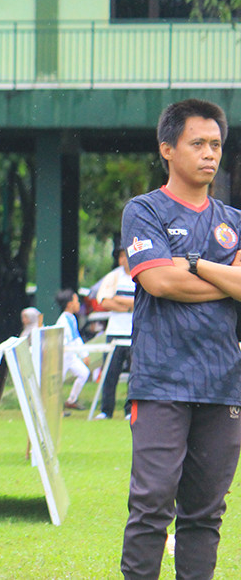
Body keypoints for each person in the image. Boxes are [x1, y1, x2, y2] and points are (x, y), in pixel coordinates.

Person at [120, 98, 241, 580]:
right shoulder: (144, 210)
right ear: (167, 148)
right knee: (151, 505)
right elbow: (158, 283)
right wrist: (222, 280)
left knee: (205, 513)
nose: (209, 153)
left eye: (215, 144)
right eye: (198, 143)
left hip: (224, 384)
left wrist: (192, 262)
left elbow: (178, 275)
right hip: (160, 382)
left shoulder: (234, 220)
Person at [94, 244, 135, 420]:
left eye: (126, 255)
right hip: (115, 332)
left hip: (134, 333)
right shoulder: (113, 277)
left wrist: (119, 300)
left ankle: (130, 410)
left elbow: (141, 302)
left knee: (135, 375)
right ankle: (106, 410)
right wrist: (127, 307)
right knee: (110, 373)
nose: (123, 259)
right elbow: (104, 301)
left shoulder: (139, 275)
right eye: (120, 256)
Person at [54, 289, 91, 411]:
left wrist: (84, 354)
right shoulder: (63, 320)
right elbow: (72, 339)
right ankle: (55, 409)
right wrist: (83, 354)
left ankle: (71, 400)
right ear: (70, 304)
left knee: (84, 373)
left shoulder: (72, 318)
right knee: (58, 382)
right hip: (63, 355)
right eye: (76, 301)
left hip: (70, 355)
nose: (79, 304)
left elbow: (76, 338)